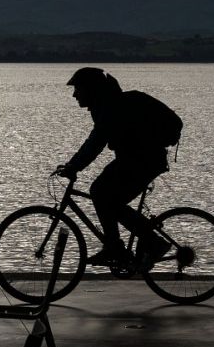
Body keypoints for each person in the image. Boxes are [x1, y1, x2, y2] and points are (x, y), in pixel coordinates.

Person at [57, 67, 173, 269]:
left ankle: (137, 245)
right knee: (109, 201)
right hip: (137, 159)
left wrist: (73, 167)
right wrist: (74, 165)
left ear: (91, 89)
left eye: (78, 89)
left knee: (101, 193)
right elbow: (95, 141)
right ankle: (125, 246)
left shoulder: (110, 108)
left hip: (143, 160)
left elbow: (95, 143)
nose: (74, 94)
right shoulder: (107, 106)